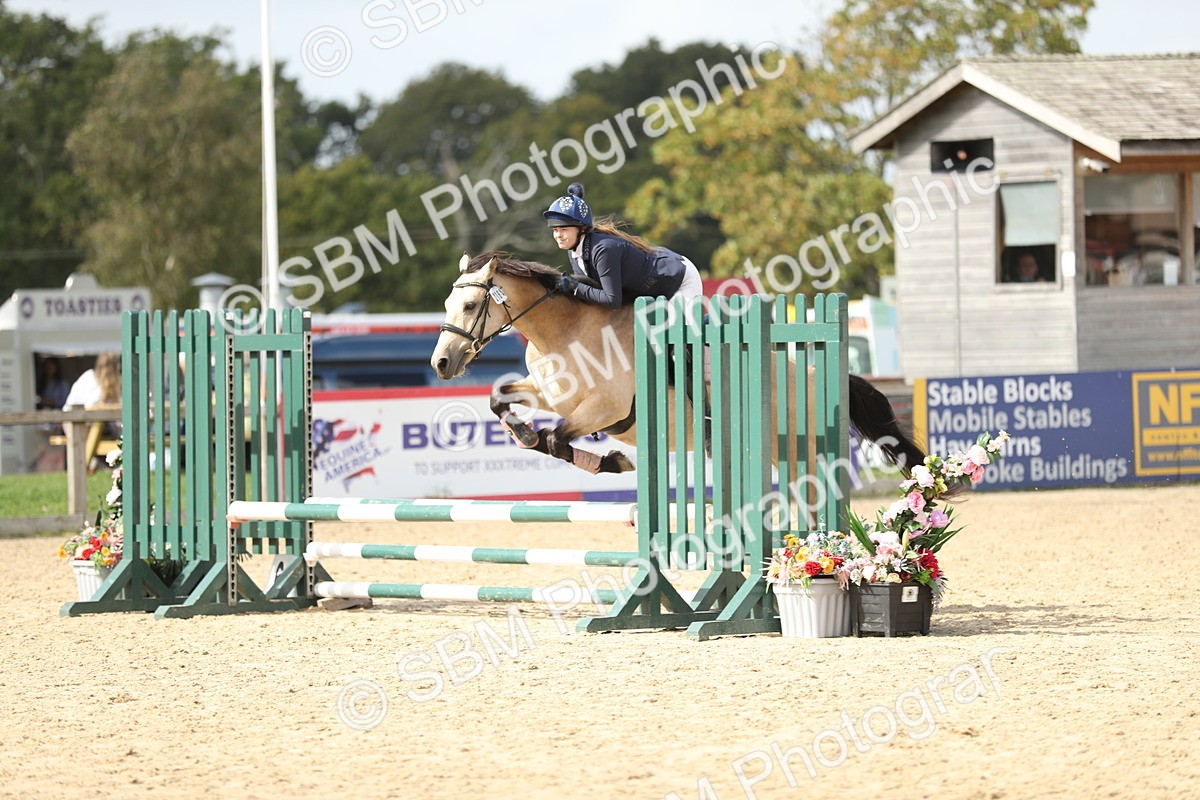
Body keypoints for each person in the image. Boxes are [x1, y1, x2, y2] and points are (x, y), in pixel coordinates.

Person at [543, 182, 704, 307]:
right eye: (555, 230)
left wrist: (574, 287)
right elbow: (592, 291)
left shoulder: (602, 250)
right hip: (650, 290)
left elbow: (612, 299)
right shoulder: (573, 250)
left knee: (676, 339)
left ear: (582, 228)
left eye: (563, 229)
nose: (558, 235)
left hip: (678, 280)